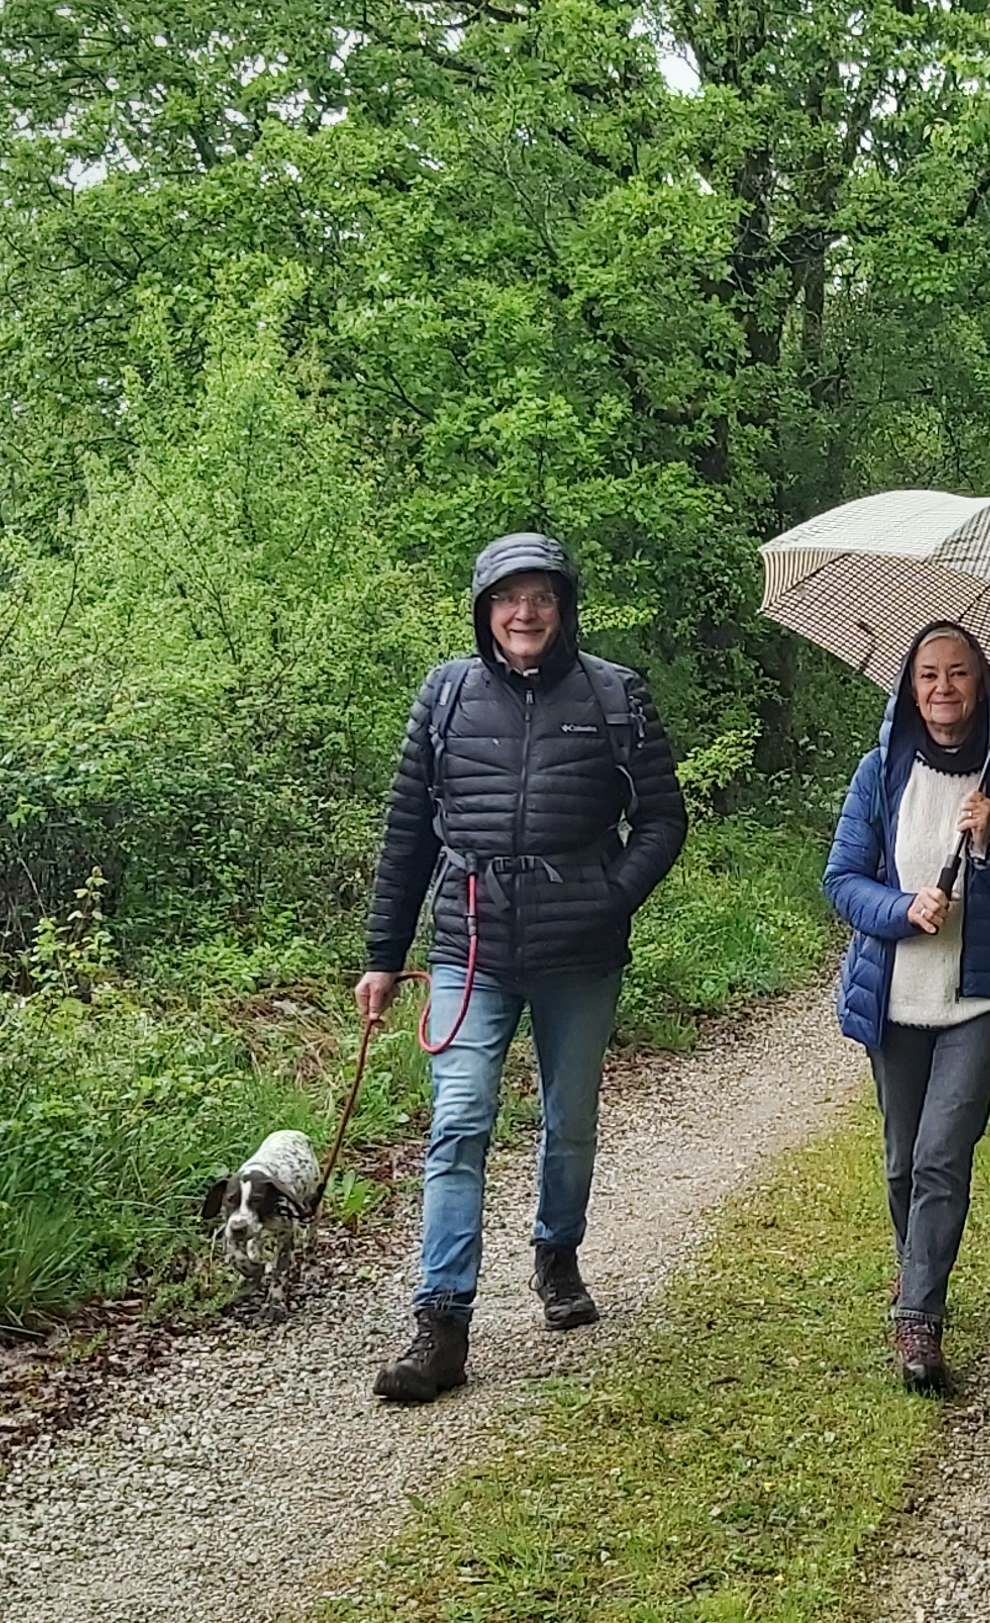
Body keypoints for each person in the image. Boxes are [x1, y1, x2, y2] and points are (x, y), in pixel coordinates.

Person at [354, 533, 685, 1404]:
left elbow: (663, 819)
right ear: (484, 610)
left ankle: (556, 1253)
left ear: (564, 607)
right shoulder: (445, 695)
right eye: (507, 597)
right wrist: (383, 957)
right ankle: (442, 1322)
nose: (524, 613)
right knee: (459, 1121)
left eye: (540, 596)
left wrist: (611, 896)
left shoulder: (615, 695)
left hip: (581, 949)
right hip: (470, 944)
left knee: (569, 1121)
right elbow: (406, 832)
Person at [825, 622, 990, 1392]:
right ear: (910, 685)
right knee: (903, 1159)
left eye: (958, 673)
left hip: (981, 999)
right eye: (928, 674)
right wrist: (902, 909)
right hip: (895, 996)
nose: (943, 689)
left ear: (981, 683)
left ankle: (920, 1320)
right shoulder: (879, 772)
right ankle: (918, 1271)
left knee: (940, 1154)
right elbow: (842, 880)